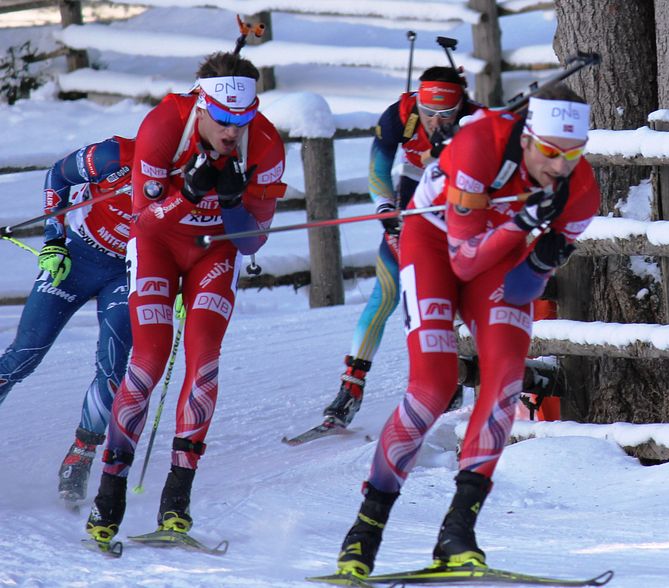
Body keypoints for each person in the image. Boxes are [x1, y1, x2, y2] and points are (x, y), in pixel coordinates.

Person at [333, 83, 600, 579]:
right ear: (526, 137)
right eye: (549, 151)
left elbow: (521, 284)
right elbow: (462, 257)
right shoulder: (481, 146)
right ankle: (366, 529)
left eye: (573, 153)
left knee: (504, 380)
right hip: (434, 245)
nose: (560, 167)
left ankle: (458, 531)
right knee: (432, 387)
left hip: (499, 259)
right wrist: (523, 221)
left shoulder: (580, 191)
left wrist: (541, 254)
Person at [85, 51, 286, 546]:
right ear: (202, 106)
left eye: (243, 118)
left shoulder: (265, 143)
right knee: (149, 357)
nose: (232, 131)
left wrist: (237, 206)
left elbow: (251, 243)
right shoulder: (162, 126)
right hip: (157, 245)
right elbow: (144, 220)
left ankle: (177, 502)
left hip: (212, 253)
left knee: (203, 360)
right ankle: (108, 501)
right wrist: (189, 195)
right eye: (222, 119)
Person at [323, 66, 484, 428]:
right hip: (411, 200)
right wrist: (385, 210)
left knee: (450, 298)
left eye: (446, 115)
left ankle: (455, 378)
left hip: (458, 205)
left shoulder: (476, 119)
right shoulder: (400, 115)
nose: (435, 122)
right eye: (428, 113)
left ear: (461, 107)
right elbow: (378, 169)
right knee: (387, 291)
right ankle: (351, 389)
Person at [0, 137, 134, 505]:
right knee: (23, 354)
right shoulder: (116, 154)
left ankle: (81, 455)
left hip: (128, 272)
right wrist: (53, 239)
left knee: (112, 368)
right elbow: (58, 175)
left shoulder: (192, 174)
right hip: (78, 255)